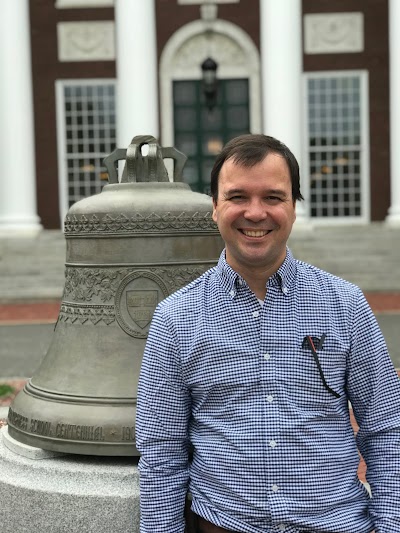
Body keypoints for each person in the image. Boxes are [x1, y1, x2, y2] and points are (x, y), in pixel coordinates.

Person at [136, 134, 400, 533]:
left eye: (273, 198)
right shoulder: (175, 318)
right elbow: (161, 451)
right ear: (214, 207)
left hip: (338, 523)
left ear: (294, 207)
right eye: (237, 196)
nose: (255, 213)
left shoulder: (345, 304)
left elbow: (385, 429)